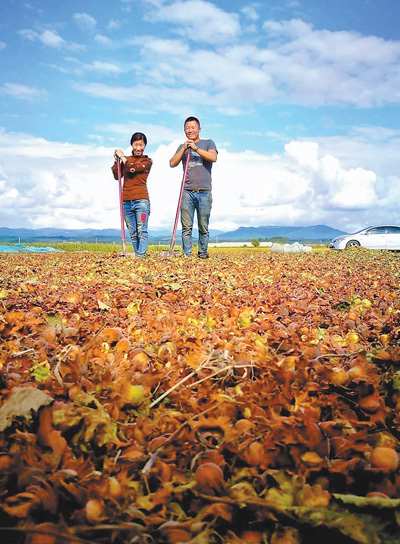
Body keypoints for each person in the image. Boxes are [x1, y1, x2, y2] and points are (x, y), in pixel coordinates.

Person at [169, 116, 217, 259]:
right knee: (186, 227)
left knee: (203, 226)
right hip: (187, 191)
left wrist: (195, 148)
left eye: (193, 127)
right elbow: (172, 163)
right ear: (184, 130)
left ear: (199, 129)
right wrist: (184, 148)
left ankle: (202, 253)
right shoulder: (182, 147)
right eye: (187, 128)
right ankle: (187, 255)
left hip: (204, 191)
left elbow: (213, 157)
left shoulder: (208, 143)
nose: (190, 130)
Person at [112, 133, 152, 257]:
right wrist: (117, 161)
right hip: (127, 201)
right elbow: (117, 175)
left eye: (141, 145)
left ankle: (141, 257)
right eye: (136, 144)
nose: (138, 148)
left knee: (142, 230)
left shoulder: (147, 161)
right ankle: (137, 255)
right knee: (133, 232)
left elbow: (132, 168)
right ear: (132, 145)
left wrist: (123, 157)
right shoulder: (125, 160)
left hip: (142, 202)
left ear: (145, 146)